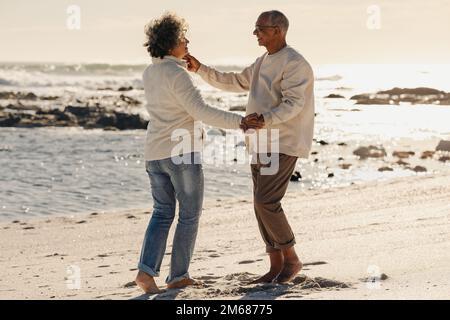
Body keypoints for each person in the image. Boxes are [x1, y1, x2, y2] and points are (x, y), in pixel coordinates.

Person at [135, 13, 263, 294]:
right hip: (181, 153)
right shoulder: (177, 74)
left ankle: (146, 273)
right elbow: (201, 110)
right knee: (189, 215)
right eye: (183, 38)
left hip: (154, 152)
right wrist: (240, 121)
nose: (188, 41)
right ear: (171, 44)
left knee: (162, 212)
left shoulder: (151, 72)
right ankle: (178, 276)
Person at [185, 10, 315, 283]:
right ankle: (275, 265)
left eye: (260, 28)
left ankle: (291, 259)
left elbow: (294, 104)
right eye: (255, 28)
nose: (255, 33)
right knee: (260, 205)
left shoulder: (295, 63)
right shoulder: (262, 61)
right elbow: (235, 81)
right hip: (259, 142)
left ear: (278, 30)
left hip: (283, 142)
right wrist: (200, 69)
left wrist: (265, 119)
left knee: (266, 201)